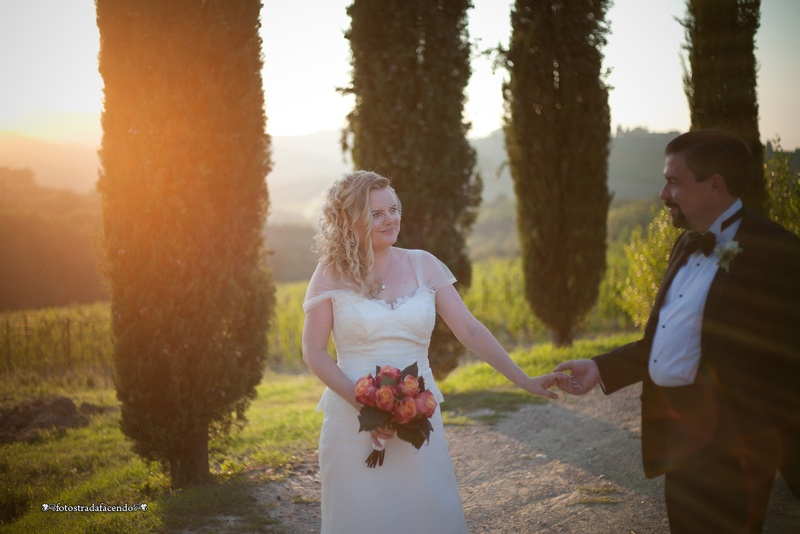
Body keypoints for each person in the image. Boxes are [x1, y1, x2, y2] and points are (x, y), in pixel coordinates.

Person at [556, 129, 800, 533]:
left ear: (715, 185)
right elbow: (668, 338)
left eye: (674, 181)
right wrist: (600, 367)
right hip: (680, 444)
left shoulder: (779, 252)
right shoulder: (685, 245)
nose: (663, 193)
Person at [302, 170, 568, 533]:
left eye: (393, 208)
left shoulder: (423, 264)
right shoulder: (330, 273)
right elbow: (314, 352)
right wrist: (366, 405)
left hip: (420, 415)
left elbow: (470, 330)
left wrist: (524, 379)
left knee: (425, 515)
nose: (390, 219)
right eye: (376, 213)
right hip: (352, 423)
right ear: (350, 220)